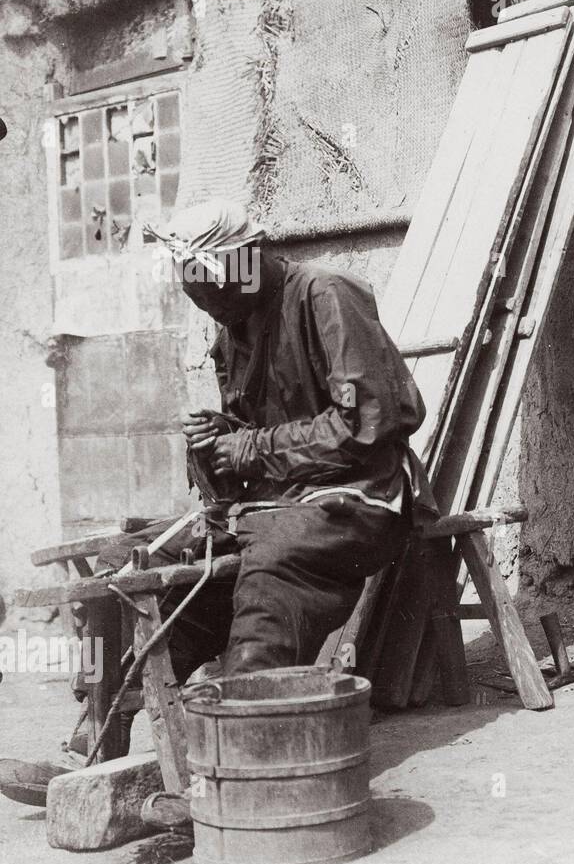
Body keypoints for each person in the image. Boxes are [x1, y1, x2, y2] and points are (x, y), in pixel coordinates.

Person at [73, 200, 434, 751]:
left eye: (214, 287)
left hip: (360, 502)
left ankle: (246, 755)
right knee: (125, 563)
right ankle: (102, 733)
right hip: (270, 507)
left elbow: (369, 421)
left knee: (270, 570)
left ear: (252, 258)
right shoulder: (231, 328)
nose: (207, 302)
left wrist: (249, 448)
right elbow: (247, 449)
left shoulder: (326, 294)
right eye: (195, 289)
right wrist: (215, 443)